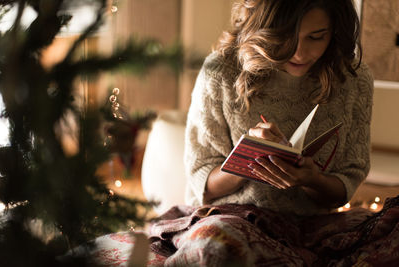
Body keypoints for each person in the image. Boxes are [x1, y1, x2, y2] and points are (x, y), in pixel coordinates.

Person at [149, 0, 383, 265]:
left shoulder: (353, 79)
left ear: (335, 31)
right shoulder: (222, 71)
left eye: (316, 37)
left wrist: (311, 179)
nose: (300, 52)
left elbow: (346, 185)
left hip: (314, 226)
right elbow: (203, 183)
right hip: (235, 218)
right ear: (263, 28)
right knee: (216, 244)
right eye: (285, 37)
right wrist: (245, 159)